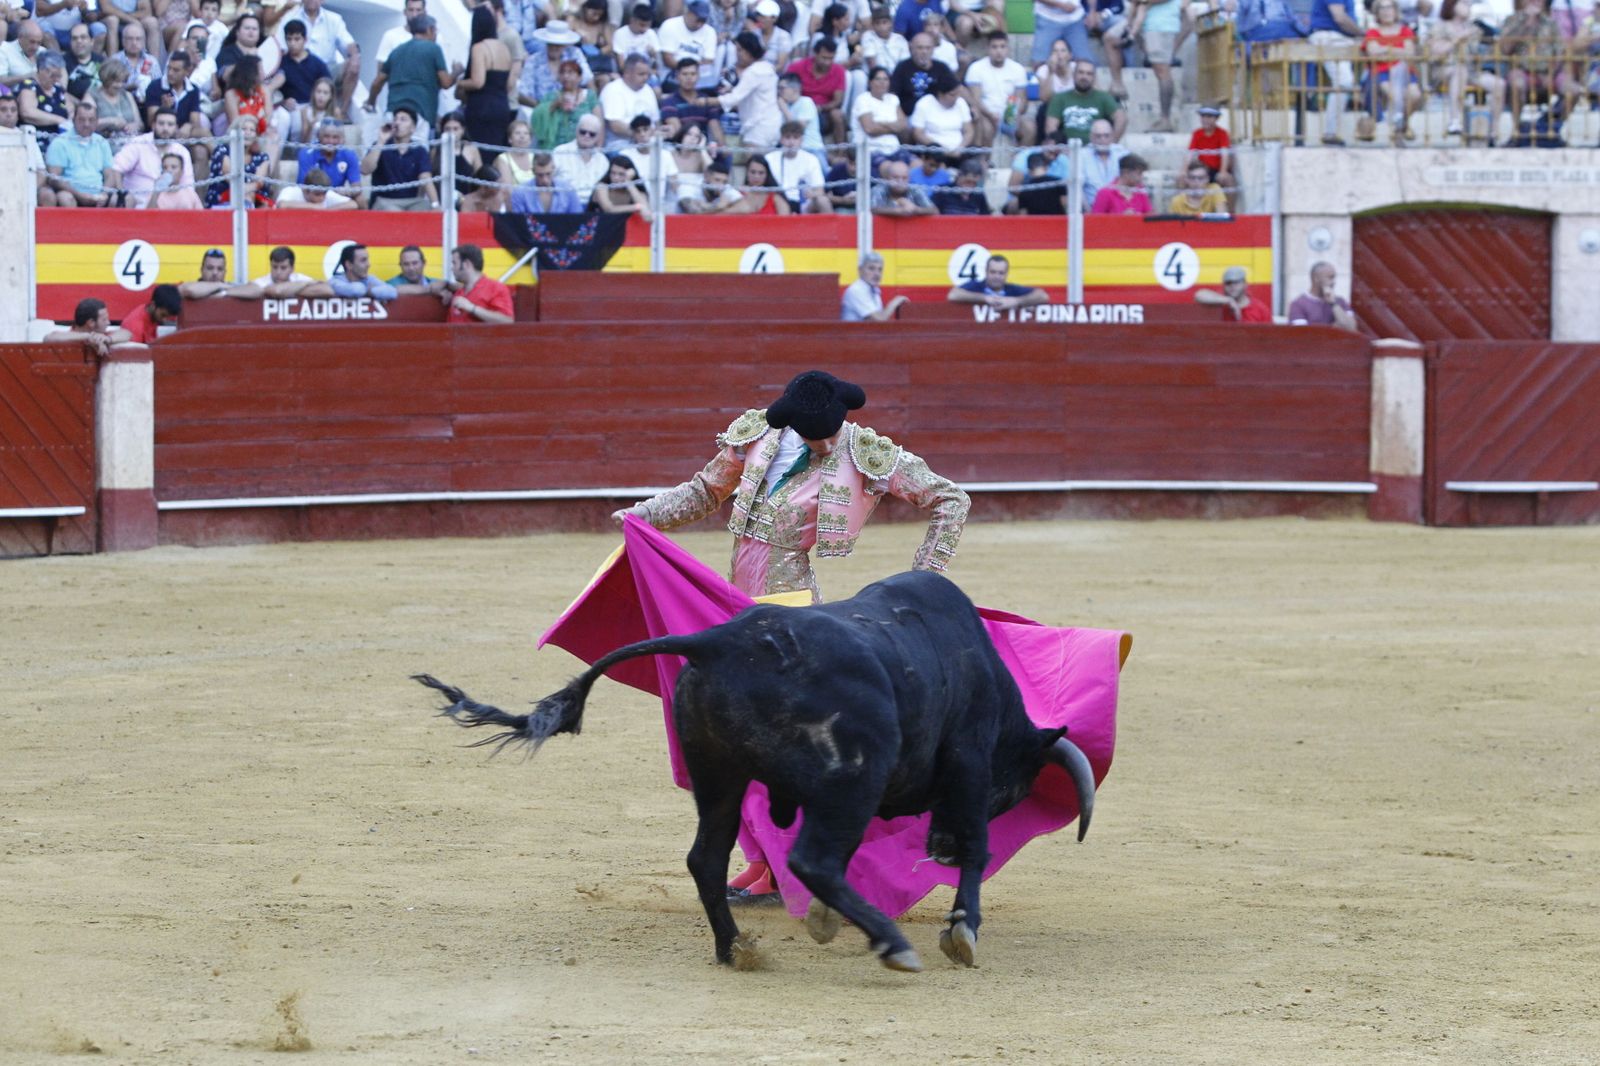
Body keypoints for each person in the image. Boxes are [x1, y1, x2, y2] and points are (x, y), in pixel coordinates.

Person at [610, 369, 971, 896]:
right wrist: (642, 516)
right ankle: (762, 860)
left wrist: (923, 577)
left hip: (793, 613)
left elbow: (951, 499)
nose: (825, 443)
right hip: (734, 606)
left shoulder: (865, 453)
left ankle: (784, 866)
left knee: (780, 744)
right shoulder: (757, 436)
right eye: (813, 435)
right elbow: (704, 492)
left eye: (831, 432)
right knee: (733, 739)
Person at [366, 13, 454, 133]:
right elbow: (446, 83)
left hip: (394, 115)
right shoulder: (433, 49)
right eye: (435, 30)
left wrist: (371, 102)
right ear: (430, 29)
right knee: (419, 146)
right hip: (421, 116)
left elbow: (378, 82)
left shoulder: (396, 51)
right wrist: (457, 72)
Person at [277, 0, 360, 114]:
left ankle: (342, 112)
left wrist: (355, 57)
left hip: (327, 71)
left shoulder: (334, 19)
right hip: (298, 68)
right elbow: (280, 48)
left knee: (354, 65)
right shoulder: (290, 17)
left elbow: (349, 44)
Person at [456, 4, 513, 159]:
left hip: (482, 108)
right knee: (495, 153)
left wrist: (459, 83)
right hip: (502, 106)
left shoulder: (479, 48)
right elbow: (509, 84)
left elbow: (478, 82)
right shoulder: (504, 48)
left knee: (480, 154)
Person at [1361, 0, 1421, 143]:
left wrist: (1386, 49)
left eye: (1389, 7)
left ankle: (1403, 123)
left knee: (1415, 95)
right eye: (1382, 8)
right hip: (1382, 72)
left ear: (1395, 10)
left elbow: (1410, 53)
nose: (1386, 11)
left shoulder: (1405, 30)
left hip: (1405, 71)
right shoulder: (1373, 32)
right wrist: (1398, 50)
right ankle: (1398, 129)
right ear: (1376, 13)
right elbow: (1373, 53)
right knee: (1394, 94)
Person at [114, 108, 196, 208]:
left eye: (170, 125)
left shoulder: (182, 151)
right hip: (137, 208)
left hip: (170, 210)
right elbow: (116, 169)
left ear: (176, 128)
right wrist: (121, 195)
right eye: (161, 124)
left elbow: (188, 186)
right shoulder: (138, 143)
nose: (165, 129)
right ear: (153, 125)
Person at [45, 100, 121, 208]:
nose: (86, 124)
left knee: (117, 199)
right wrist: (79, 195)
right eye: (81, 120)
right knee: (65, 198)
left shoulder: (102, 142)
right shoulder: (60, 142)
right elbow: (54, 178)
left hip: (98, 194)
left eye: (91, 120)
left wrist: (104, 194)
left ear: (97, 121)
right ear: (73, 120)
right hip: (72, 193)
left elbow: (110, 175)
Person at [364, 106, 440, 211]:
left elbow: (425, 177)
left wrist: (435, 205)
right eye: (395, 119)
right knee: (394, 212)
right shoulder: (380, 146)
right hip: (384, 200)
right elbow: (365, 170)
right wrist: (381, 141)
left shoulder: (419, 150)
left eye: (403, 120)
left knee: (425, 207)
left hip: (411, 201)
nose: (397, 123)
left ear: (413, 128)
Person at [1306, 0, 1360, 145]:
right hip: (1329, 37)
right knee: (1344, 81)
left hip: (1338, 38)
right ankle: (1330, 132)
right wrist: (1362, 33)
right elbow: (1339, 17)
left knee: (1346, 81)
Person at [963, 30, 1026, 147]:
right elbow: (976, 100)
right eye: (994, 47)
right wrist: (990, 115)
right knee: (986, 128)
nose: (999, 51)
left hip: (1009, 114)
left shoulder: (1018, 69)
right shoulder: (976, 68)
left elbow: (1021, 99)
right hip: (986, 114)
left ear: (1008, 48)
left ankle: (1020, 158)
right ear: (987, 48)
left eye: (1002, 47)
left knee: (1029, 129)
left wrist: (1014, 113)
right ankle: (984, 158)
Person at [718, 31, 779, 148]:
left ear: (749, 50)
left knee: (754, 159)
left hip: (759, 127)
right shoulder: (766, 67)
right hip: (767, 123)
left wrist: (704, 101)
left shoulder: (754, 71)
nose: (737, 54)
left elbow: (733, 99)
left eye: (740, 50)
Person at [1044, 57, 1123, 142]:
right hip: (1068, 146)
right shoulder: (1060, 98)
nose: (1084, 77)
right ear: (1074, 75)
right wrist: (1059, 144)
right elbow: (1050, 127)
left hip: (1096, 147)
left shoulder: (1103, 97)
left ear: (1094, 78)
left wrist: (1111, 142)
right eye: (1081, 72)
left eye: (1089, 74)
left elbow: (1121, 118)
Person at [784, 34, 845, 139]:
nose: (827, 62)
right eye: (824, 58)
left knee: (837, 114)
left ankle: (841, 148)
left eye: (831, 58)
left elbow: (837, 100)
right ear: (815, 54)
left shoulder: (838, 71)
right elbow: (785, 89)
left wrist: (820, 108)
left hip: (823, 112)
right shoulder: (797, 67)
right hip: (799, 108)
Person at [529, 58, 599, 149]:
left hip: (583, 148)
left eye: (570, 73)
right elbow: (537, 117)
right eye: (562, 73)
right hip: (554, 147)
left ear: (580, 77)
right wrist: (555, 105)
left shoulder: (590, 96)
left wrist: (598, 148)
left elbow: (599, 123)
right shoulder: (550, 96)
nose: (566, 76)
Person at [765, 118, 828, 212]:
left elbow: (820, 190)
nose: (791, 142)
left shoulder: (811, 159)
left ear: (801, 140)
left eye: (795, 138)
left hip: (804, 204)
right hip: (777, 202)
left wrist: (812, 194)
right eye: (787, 137)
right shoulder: (769, 158)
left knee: (823, 201)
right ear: (781, 139)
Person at [599, 51, 659, 149]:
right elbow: (615, 126)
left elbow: (656, 122)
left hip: (648, 145)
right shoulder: (612, 90)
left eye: (647, 74)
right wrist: (641, 135)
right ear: (627, 74)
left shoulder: (648, 90)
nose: (646, 78)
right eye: (641, 74)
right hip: (621, 146)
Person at [443, 243, 515, 323]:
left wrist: (472, 308)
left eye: (454, 263)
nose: (452, 268)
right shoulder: (459, 292)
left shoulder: (495, 288)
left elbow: (507, 321)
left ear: (466, 264)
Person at [889, 31, 953, 118]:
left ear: (933, 49)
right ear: (911, 48)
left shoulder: (941, 67)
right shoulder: (902, 67)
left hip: (936, 116)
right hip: (909, 116)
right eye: (920, 48)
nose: (924, 52)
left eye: (928, 48)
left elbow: (956, 89)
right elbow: (893, 96)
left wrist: (972, 104)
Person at [947, 254, 1047, 309]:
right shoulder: (977, 286)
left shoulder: (1012, 289)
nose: (996, 276)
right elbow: (953, 295)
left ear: (1006, 274)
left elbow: (1042, 296)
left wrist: (1016, 301)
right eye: (993, 272)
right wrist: (985, 298)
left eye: (1001, 273)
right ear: (986, 271)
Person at [909, 69, 972, 154]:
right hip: (933, 151)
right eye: (952, 95)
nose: (956, 98)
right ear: (940, 94)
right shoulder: (924, 104)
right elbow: (918, 133)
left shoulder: (961, 102)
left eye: (958, 94)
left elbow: (969, 131)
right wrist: (941, 150)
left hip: (959, 151)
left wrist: (960, 148)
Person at [295, 117, 360, 198]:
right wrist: (333, 192)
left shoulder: (349, 154)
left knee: (360, 198)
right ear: (318, 136)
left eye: (335, 137)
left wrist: (348, 192)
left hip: (337, 196)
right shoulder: (306, 153)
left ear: (342, 139)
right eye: (326, 136)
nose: (330, 141)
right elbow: (303, 188)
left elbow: (356, 187)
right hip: (312, 196)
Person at [45, 297, 134, 356]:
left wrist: (108, 339)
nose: (108, 323)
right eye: (104, 319)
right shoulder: (69, 337)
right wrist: (88, 337)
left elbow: (127, 333)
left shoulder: (101, 336)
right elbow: (49, 338)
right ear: (91, 323)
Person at [658, 0, 718, 87]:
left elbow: (708, 61)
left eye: (703, 21)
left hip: (698, 76)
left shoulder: (710, 32)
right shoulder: (670, 25)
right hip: (673, 73)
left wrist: (692, 74)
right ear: (689, 13)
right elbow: (667, 59)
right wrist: (687, 72)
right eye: (698, 20)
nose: (700, 24)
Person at [660, 57, 722, 140]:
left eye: (693, 74)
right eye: (684, 74)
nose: (689, 78)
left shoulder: (707, 101)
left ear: (698, 76)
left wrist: (723, 147)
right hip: (680, 146)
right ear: (677, 76)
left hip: (703, 146)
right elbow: (678, 134)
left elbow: (716, 130)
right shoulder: (669, 102)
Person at [552, 111, 609, 201]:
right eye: (583, 132)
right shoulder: (560, 152)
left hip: (591, 205)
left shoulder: (603, 161)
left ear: (598, 137)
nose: (587, 136)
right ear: (576, 131)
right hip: (564, 202)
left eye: (592, 134)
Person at [1288, 261, 1358, 331]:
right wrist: (1333, 328)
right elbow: (1301, 333)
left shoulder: (1340, 302)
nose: (1333, 282)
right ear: (1316, 278)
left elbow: (1351, 328)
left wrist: (1333, 304)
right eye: (1330, 278)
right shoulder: (1298, 304)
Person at [852, 63, 906, 153]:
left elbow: (903, 125)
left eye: (885, 79)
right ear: (870, 82)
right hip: (870, 150)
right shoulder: (863, 99)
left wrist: (881, 123)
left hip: (894, 148)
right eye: (878, 79)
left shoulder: (893, 99)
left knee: (916, 161)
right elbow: (870, 129)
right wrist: (894, 128)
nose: (882, 83)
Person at [841, 250, 909, 320]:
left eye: (880, 269)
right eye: (871, 268)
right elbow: (878, 319)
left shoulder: (873, 290)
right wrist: (895, 302)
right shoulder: (856, 290)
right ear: (860, 270)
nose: (877, 274)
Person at [509, 149, 585, 212]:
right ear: (533, 171)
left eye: (548, 174)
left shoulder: (568, 189)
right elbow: (518, 222)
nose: (545, 180)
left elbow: (578, 219)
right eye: (540, 175)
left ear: (554, 168)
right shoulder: (520, 192)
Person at [1194, 265, 1272, 323]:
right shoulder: (1221, 301)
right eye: (1229, 283)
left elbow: (1269, 335)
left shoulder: (1260, 309)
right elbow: (1199, 295)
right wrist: (1229, 301)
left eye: (1236, 283)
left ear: (1245, 284)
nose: (1232, 286)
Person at [90, 57, 144, 138]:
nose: (120, 85)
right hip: (104, 141)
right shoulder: (93, 95)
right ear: (106, 80)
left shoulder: (127, 95)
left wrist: (135, 125)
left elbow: (140, 124)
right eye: (117, 81)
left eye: (123, 81)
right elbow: (86, 123)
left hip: (130, 140)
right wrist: (110, 121)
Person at [179, 248, 264, 299]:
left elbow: (258, 290)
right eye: (210, 268)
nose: (215, 273)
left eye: (220, 269)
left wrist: (224, 293)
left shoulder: (228, 287)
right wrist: (219, 285)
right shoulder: (192, 285)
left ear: (225, 272)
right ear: (201, 270)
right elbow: (189, 290)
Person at [1032, 0, 1093, 68]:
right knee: (1039, 62)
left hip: (1076, 19)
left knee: (1085, 62)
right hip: (1047, 18)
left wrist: (1092, 11)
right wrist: (1061, 5)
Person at [1186, 105, 1234, 191]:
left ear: (1216, 118)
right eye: (1203, 116)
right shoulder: (1197, 133)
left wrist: (1222, 171)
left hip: (1217, 170)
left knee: (1228, 180)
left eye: (1209, 116)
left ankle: (1227, 201)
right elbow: (1190, 153)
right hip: (1202, 170)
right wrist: (1183, 170)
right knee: (1182, 179)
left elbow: (1225, 154)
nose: (1205, 119)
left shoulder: (1222, 133)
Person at [329, 244, 400, 302]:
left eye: (367, 260)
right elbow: (357, 290)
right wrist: (369, 291)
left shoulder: (369, 279)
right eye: (363, 260)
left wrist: (371, 291)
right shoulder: (335, 281)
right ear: (349, 265)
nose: (368, 264)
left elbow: (392, 292)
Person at [870, 155, 935, 215]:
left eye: (904, 178)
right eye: (895, 177)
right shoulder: (878, 190)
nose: (900, 181)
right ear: (888, 178)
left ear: (909, 179)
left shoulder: (915, 190)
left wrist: (915, 209)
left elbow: (934, 210)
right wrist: (897, 211)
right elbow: (871, 209)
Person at [680, 154, 745, 212]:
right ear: (706, 177)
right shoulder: (690, 186)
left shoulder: (726, 189)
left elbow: (744, 207)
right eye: (717, 180)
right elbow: (692, 211)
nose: (721, 185)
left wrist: (713, 207)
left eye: (724, 182)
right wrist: (718, 207)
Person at [119, 284, 184, 342]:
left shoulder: (150, 312)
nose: (164, 320)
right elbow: (135, 351)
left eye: (167, 317)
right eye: (163, 315)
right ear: (153, 305)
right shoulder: (136, 326)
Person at [275, 166, 358, 209]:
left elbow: (353, 204)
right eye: (317, 194)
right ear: (305, 190)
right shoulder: (290, 191)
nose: (322, 198)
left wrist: (326, 211)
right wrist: (314, 207)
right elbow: (282, 205)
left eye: (324, 194)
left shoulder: (326, 193)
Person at [251, 245, 319, 295]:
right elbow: (277, 291)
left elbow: (325, 289)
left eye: (283, 268)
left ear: (292, 269)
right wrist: (305, 284)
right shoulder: (263, 281)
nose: (278, 272)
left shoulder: (298, 278)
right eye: (274, 267)